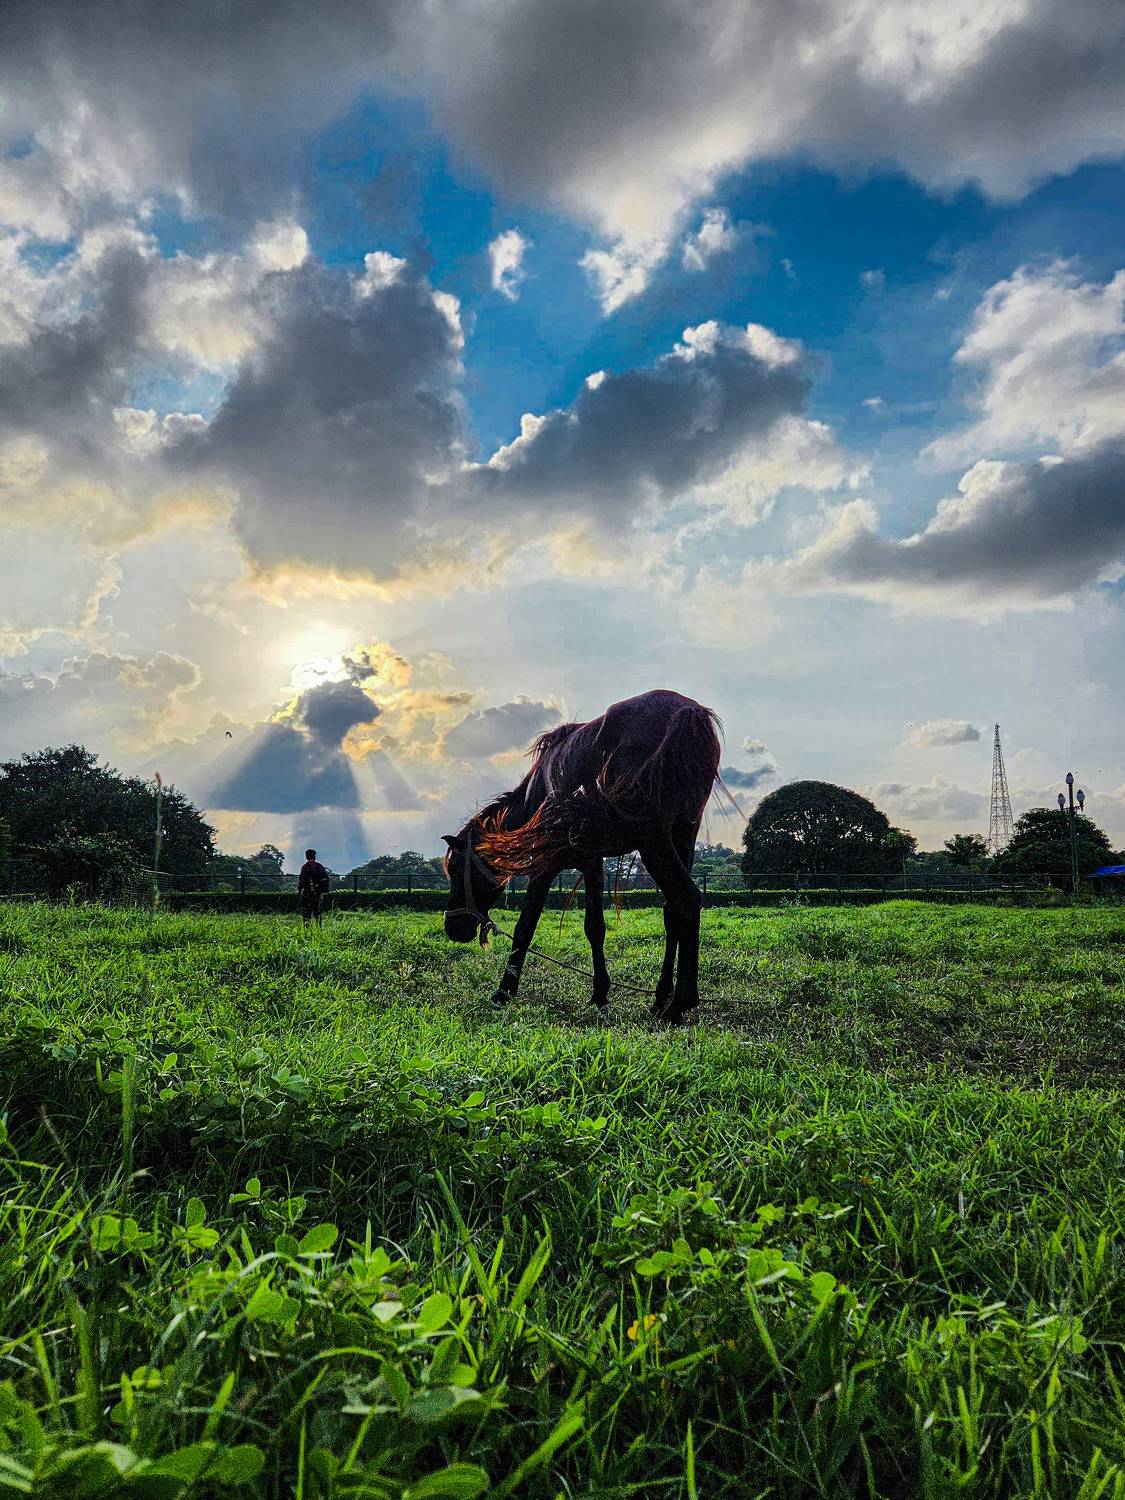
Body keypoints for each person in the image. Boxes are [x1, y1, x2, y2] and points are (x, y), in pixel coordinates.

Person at [298, 848, 330, 928]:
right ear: (314, 856)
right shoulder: (319, 866)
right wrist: (321, 890)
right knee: (318, 911)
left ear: (306, 857)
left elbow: (302, 880)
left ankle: (306, 928)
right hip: (318, 893)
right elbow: (325, 879)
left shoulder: (305, 867)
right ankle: (319, 927)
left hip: (307, 893)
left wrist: (300, 890)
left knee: (306, 912)